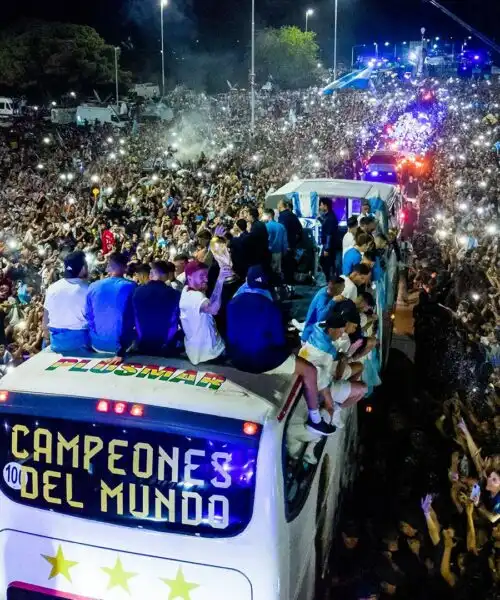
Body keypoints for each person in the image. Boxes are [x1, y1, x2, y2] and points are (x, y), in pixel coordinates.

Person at [226, 265, 336, 436]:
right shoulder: (271, 307)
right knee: (310, 371)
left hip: (236, 358)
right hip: (261, 361)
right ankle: (315, 420)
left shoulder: (232, 302)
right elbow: (278, 341)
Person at [179, 260, 230, 365]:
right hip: (209, 354)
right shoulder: (195, 297)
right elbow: (213, 309)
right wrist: (220, 280)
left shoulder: (186, 290)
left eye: (206, 275)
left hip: (198, 350)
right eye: (201, 276)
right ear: (190, 277)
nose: (206, 279)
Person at [86, 252, 136, 357]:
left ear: (109, 267)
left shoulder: (93, 286)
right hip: (124, 346)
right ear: (125, 268)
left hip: (97, 343)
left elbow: (88, 316)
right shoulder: (132, 286)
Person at [43, 251, 90, 353]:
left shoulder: (52, 288)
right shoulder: (87, 289)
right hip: (81, 343)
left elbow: (45, 322)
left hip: (56, 343)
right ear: (83, 268)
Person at [132, 260, 181, 355]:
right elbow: (177, 319)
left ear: (151, 274)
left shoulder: (138, 291)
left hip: (142, 344)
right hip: (165, 347)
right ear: (167, 275)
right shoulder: (174, 294)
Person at [301, 276, 346, 342]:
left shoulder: (328, 291)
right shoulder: (323, 297)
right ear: (334, 286)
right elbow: (320, 317)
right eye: (341, 287)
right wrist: (333, 301)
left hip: (316, 334)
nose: (343, 290)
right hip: (310, 336)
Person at [278, 199, 303, 287]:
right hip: (292, 245)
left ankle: (287, 287)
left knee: (286, 267)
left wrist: (285, 244)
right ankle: (291, 285)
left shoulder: (283, 216)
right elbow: (300, 230)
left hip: (286, 246)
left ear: (281, 205)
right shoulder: (292, 215)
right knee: (291, 266)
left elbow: (283, 231)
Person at [319, 198, 341, 280]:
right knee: (326, 263)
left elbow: (329, 234)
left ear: (326, 206)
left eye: (321, 205)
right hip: (330, 245)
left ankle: (329, 281)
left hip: (329, 246)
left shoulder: (330, 218)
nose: (320, 207)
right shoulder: (329, 215)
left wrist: (327, 249)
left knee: (326, 264)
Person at [262, 208, 288, 274]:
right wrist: (284, 252)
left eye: (264, 215)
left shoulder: (265, 226)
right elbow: (284, 242)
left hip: (267, 252)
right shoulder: (281, 226)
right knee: (277, 271)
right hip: (278, 252)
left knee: (268, 272)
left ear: (269, 215)